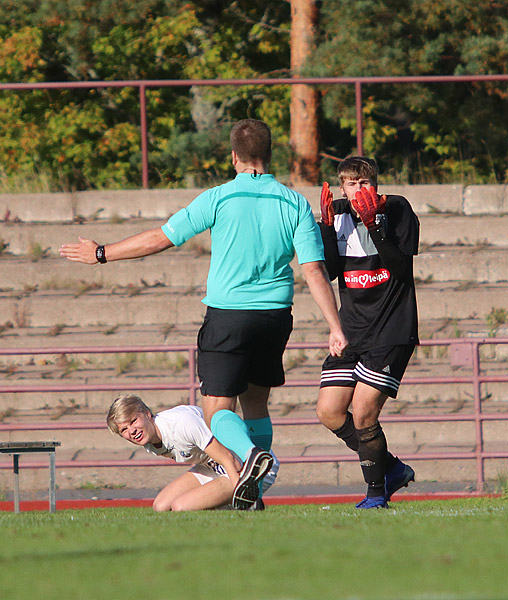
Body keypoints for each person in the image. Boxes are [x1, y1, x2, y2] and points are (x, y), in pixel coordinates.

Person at [61, 119, 347, 510]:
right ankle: (252, 492)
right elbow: (313, 269)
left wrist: (101, 253)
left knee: (215, 412)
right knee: (257, 405)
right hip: (276, 316)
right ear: (269, 155)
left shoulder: (219, 198)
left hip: (230, 315)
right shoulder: (294, 202)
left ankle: (250, 460)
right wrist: (335, 326)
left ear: (234, 157)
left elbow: (162, 238)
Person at [315, 156, 419, 508]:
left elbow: (401, 268)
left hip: (392, 330)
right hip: (352, 332)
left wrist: (375, 224)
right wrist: (326, 227)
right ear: (341, 186)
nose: (357, 189)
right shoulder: (338, 214)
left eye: (363, 182)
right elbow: (329, 271)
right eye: (350, 183)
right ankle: (390, 468)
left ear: (375, 184)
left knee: (363, 413)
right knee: (329, 412)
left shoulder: (398, 209)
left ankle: (376, 496)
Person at [107, 394, 254, 511]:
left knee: (180, 506)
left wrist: (246, 497)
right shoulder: (148, 438)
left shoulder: (181, 423)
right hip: (213, 465)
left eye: (133, 421)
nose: (132, 431)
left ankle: (238, 505)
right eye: (124, 430)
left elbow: (229, 458)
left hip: (242, 465)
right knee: (161, 506)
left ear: (147, 414)